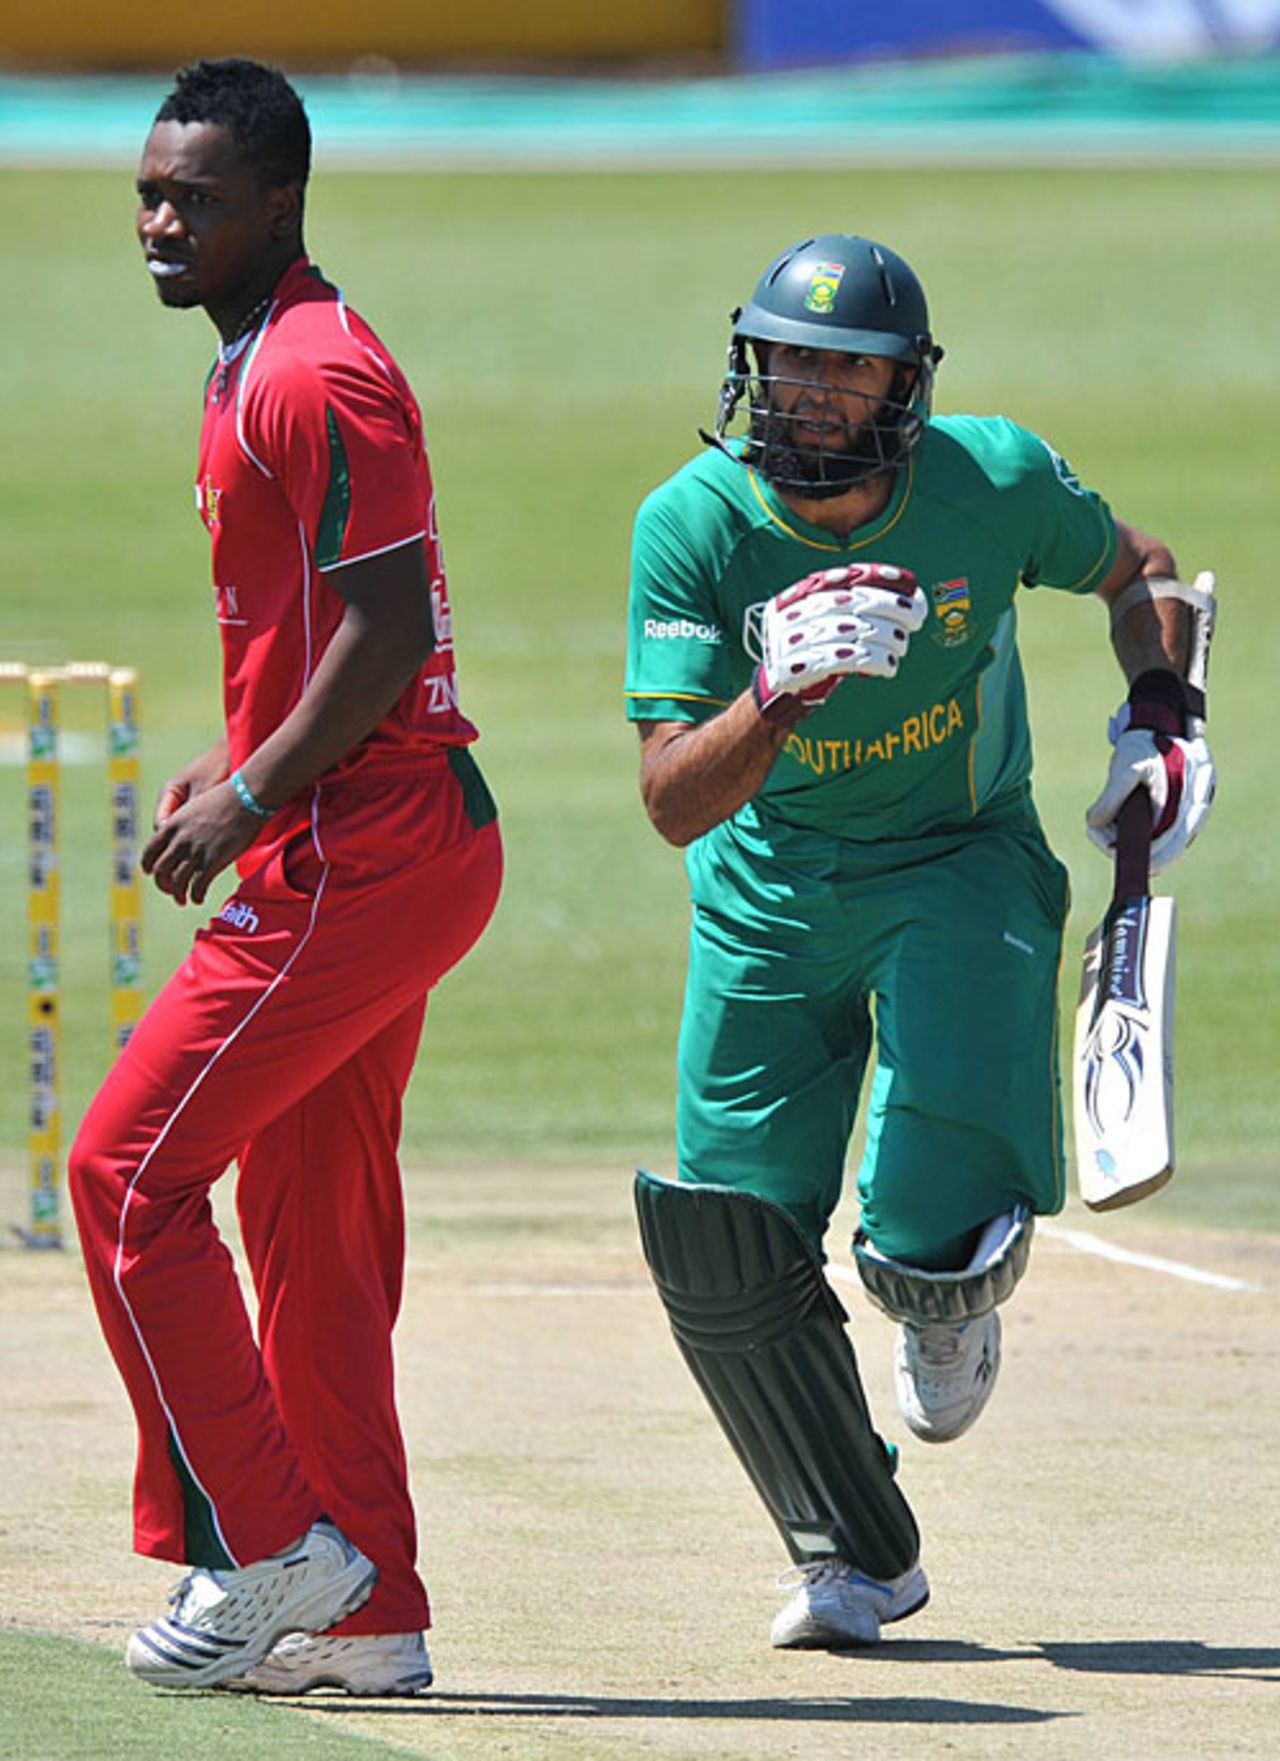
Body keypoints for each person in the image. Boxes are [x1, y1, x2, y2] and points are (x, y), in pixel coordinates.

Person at [626, 234, 1214, 1650]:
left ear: (905, 385)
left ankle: (948, 1292)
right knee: (730, 1246)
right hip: (767, 883)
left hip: (959, 862)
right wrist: (777, 692)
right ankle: (852, 1552)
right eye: (788, 360)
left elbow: (1140, 568)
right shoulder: (694, 523)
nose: (809, 391)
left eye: (846, 366)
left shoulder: (989, 479)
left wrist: (1160, 714)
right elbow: (667, 801)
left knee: (923, 1250)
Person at [68, 58, 502, 1696]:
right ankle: (366, 1610)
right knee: (308, 1228)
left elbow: (390, 632)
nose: (159, 221)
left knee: (124, 1182)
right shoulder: (260, 356)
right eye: (150, 190)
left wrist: (250, 793)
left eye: (195, 197)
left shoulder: (313, 375)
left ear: (281, 208)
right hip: (375, 836)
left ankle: (265, 1554)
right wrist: (241, 746)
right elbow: (324, 627)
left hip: (358, 852)